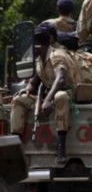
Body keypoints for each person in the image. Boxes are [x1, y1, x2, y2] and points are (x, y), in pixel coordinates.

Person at [10, 22, 81, 164]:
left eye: (36, 45)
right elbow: (34, 81)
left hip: (66, 93)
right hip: (48, 95)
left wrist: (47, 99)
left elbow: (60, 79)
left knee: (60, 96)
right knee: (18, 100)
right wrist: (28, 89)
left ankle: (61, 146)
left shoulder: (56, 54)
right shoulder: (39, 59)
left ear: (45, 44)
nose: (33, 49)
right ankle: (15, 147)